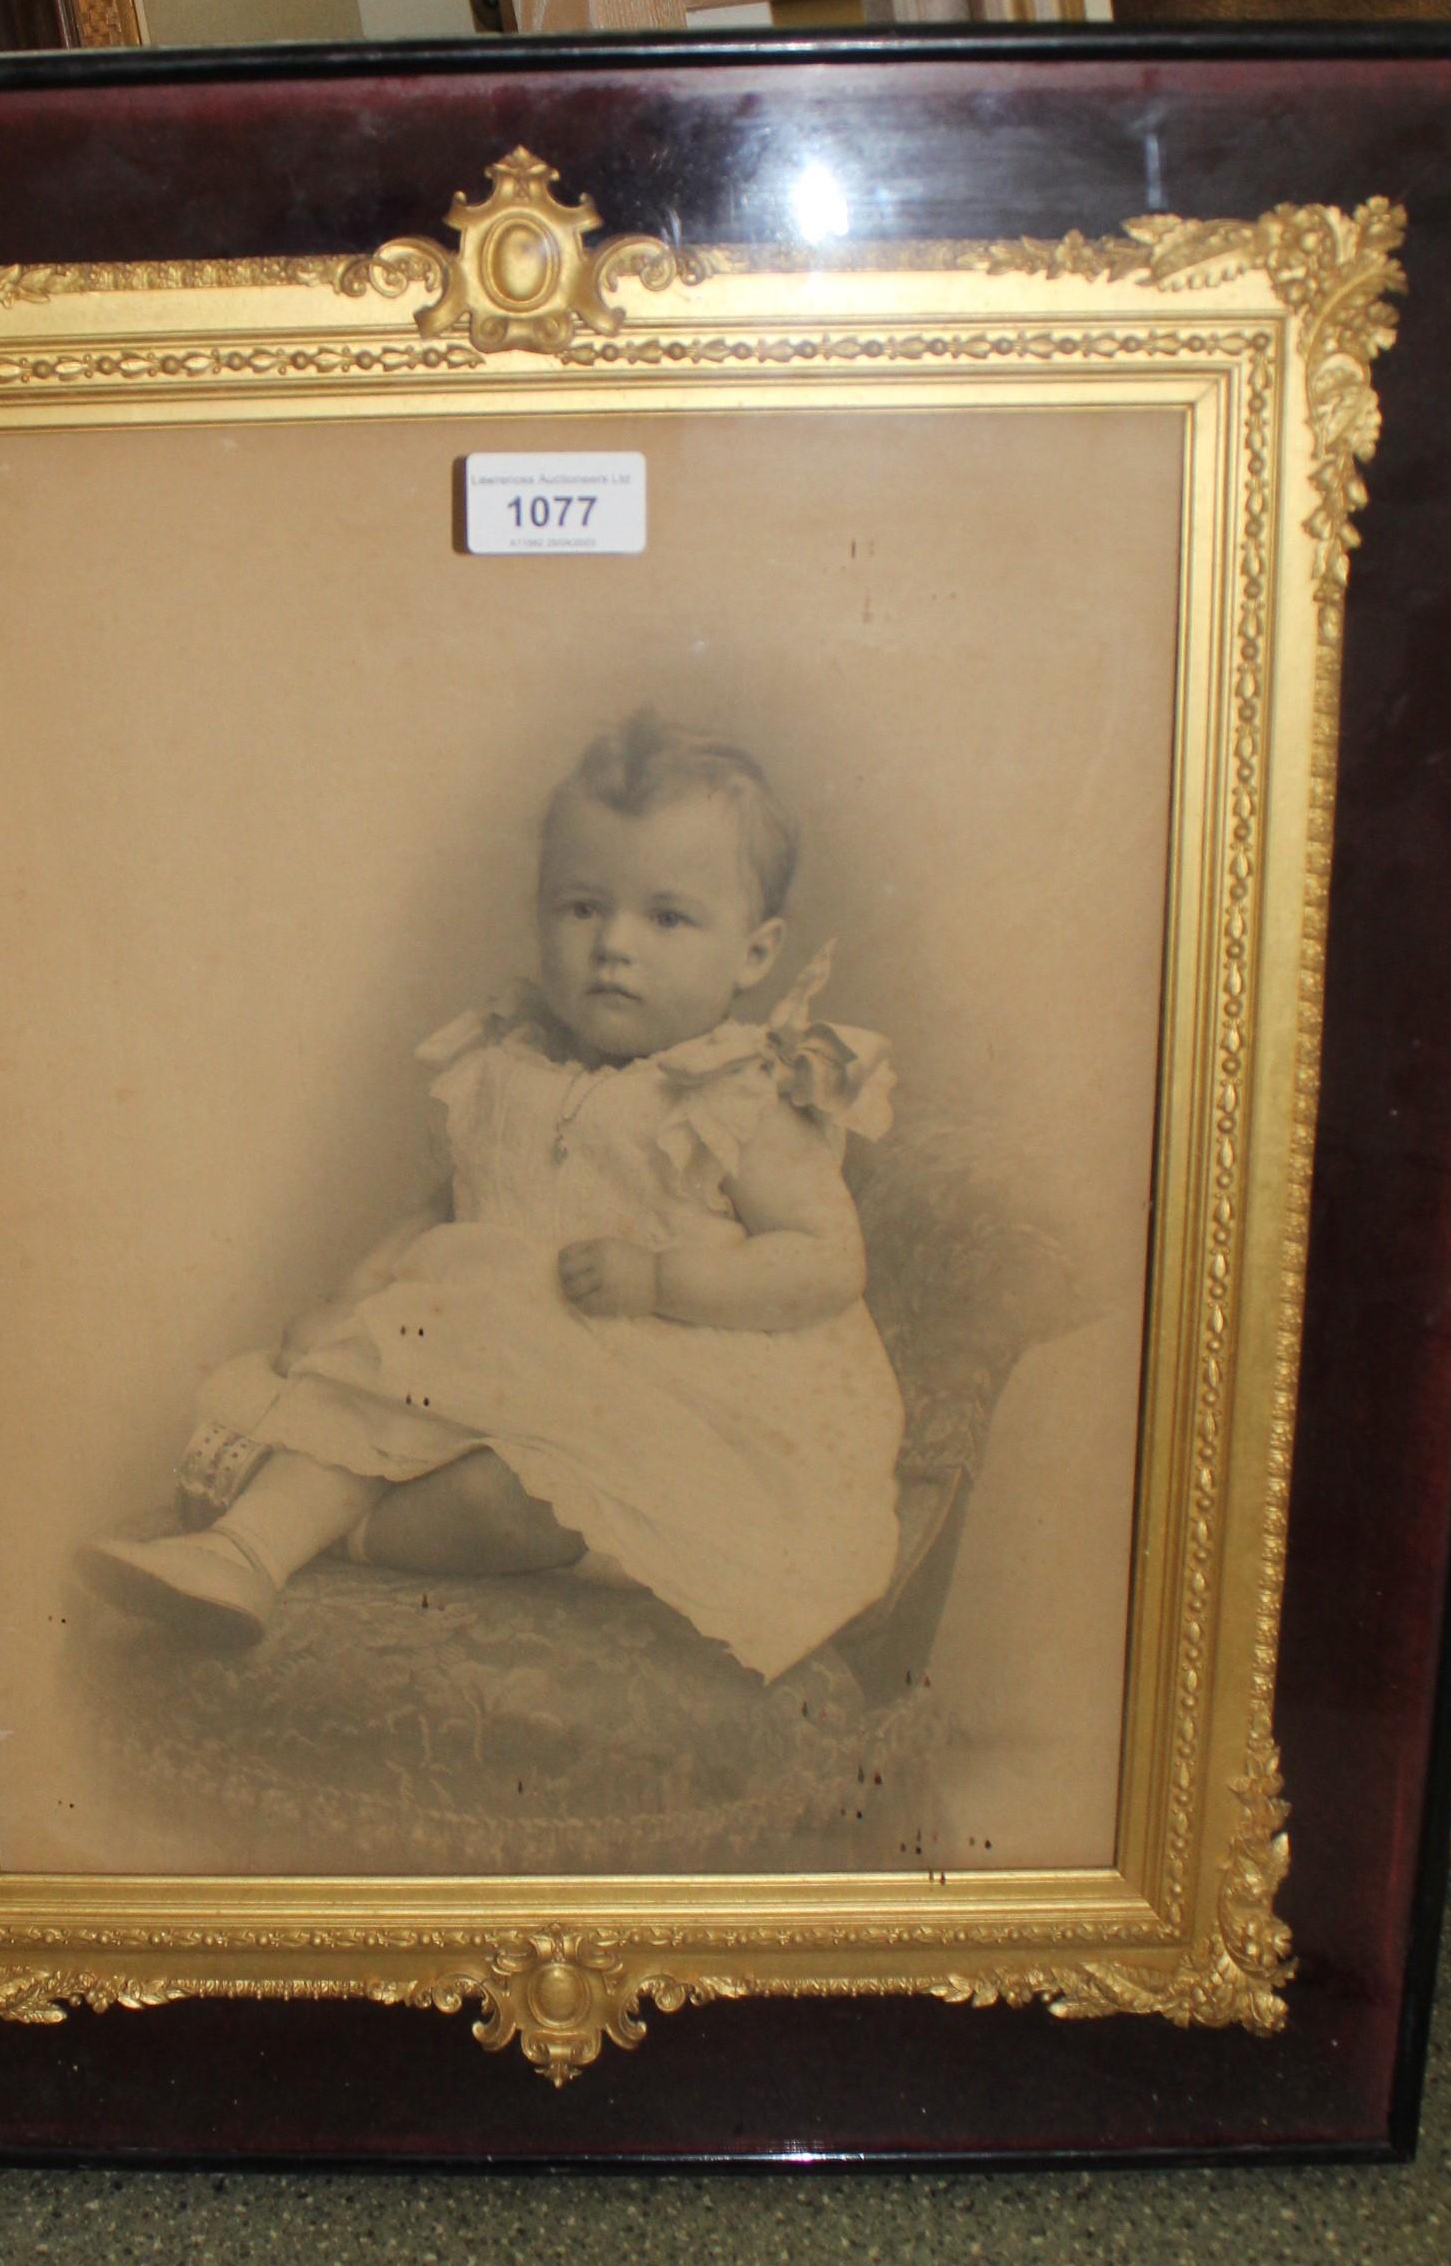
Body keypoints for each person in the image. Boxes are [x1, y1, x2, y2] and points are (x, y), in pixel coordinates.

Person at [80, 715, 904, 1680]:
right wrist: (357, 1292)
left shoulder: (742, 1096)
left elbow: (823, 1263)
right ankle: (242, 1557)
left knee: (510, 1501)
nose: (613, 948)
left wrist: (660, 1278)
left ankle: (343, 1539)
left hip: (660, 1403)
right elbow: (452, 1208)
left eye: (666, 918)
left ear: (754, 954)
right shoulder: (508, 1065)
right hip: (481, 1368)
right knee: (369, 1384)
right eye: (583, 907)